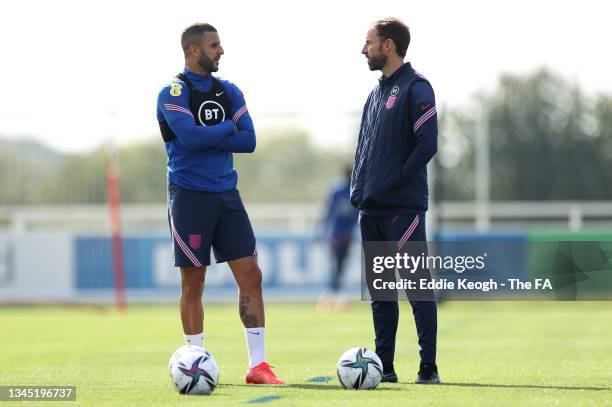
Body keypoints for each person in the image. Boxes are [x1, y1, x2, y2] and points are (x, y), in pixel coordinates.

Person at [156, 23, 284, 385]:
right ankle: (194, 359)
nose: (221, 51)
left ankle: (258, 366)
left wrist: (215, 135)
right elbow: (191, 138)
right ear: (194, 50)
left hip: (228, 195)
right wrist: (227, 130)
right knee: (194, 282)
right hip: (189, 196)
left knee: (251, 275)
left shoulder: (229, 91)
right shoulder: (171, 92)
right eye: (214, 45)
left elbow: (250, 141)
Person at [350, 18, 440, 384]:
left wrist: (395, 181)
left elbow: (427, 144)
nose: (363, 48)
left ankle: (428, 368)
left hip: (402, 208)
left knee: (417, 289)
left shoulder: (417, 87)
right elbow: (365, 149)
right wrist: (360, 187)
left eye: (368, 42)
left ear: (388, 45)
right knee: (381, 295)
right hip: (371, 208)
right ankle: (384, 368)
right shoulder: (375, 93)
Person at [317, 165, 359, 311]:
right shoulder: (343, 190)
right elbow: (329, 212)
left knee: (340, 266)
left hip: (341, 234)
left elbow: (329, 212)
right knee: (338, 266)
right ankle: (333, 296)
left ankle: (333, 296)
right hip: (339, 234)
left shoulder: (346, 190)